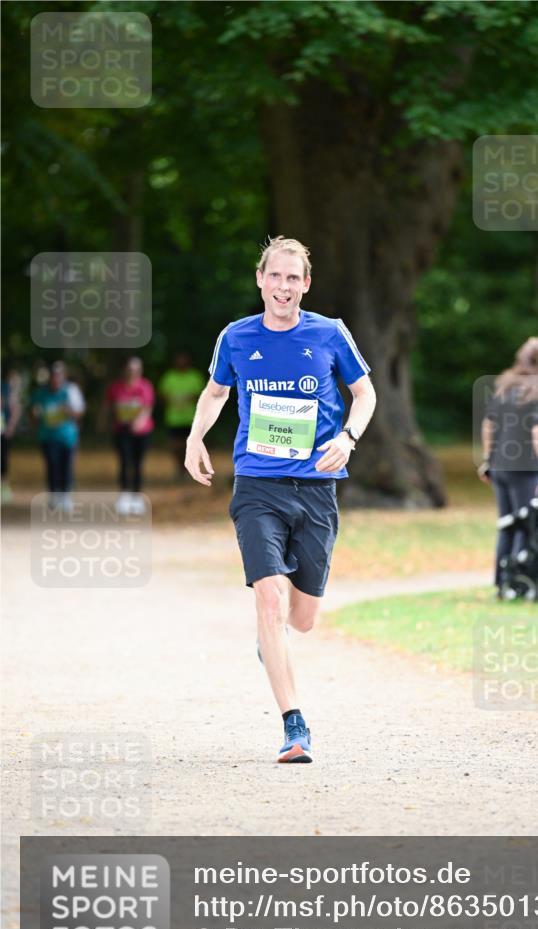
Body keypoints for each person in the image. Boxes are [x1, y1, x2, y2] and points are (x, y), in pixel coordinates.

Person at [185, 236, 376, 763]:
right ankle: (295, 726)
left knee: (303, 618)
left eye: (294, 278)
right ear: (260, 280)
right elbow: (216, 392)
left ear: (305, 285)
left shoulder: (330, 333)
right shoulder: (236, 337)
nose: (284, 287)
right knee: (268, 596)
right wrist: (195, 437)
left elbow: (365, 393)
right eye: (276, 276)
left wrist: (347, 438)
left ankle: (271, 644)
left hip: (317, 488)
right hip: (257, 485)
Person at [478, 337, 538, 592]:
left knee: (507, 524)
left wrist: (488, 460)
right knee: (526, 525)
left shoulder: (506, 387)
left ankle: (502, 581)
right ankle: (519, 581)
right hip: (524, 470)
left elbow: (488, 425)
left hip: (500, 468)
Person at [30, 360, 85, 511]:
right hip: (48, 437)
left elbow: (79, 412)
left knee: (66, 466)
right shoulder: (41, 393)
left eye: (58, 376)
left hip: (67, 437)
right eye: (53, 376)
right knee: (52, 465)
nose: (55, 379)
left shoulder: (71, 390)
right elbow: (33, 411)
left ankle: (66, 495)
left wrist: (68, 412)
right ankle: (54, 495)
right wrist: (36, 420)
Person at [104, 357, 154, 515]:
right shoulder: (116, 387)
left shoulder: (145, 386)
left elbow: (147, 407)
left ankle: (136, 497)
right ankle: (124, 494)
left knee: (138, 463)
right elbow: (109, 406)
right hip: (121, 431)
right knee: (124, 462)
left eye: (136, 369)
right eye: (130, 369)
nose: (133, 372)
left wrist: (138, 422)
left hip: (141, 432)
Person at [158, 352, 205, 479]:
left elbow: (203, 396)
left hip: (192, 419)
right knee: (175, 446)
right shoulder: (169, 377)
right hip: (174, 419)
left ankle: (191, 468)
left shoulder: (195, 377)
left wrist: (191, 399)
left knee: (191, 446)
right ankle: (180, 469)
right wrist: (170, 400)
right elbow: (162, 395)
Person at [1, 364, 23, 503]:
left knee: (2, 461)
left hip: (2, 431)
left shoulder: (5, 387)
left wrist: (11, 426)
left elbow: (15, 408)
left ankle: (3, 488)